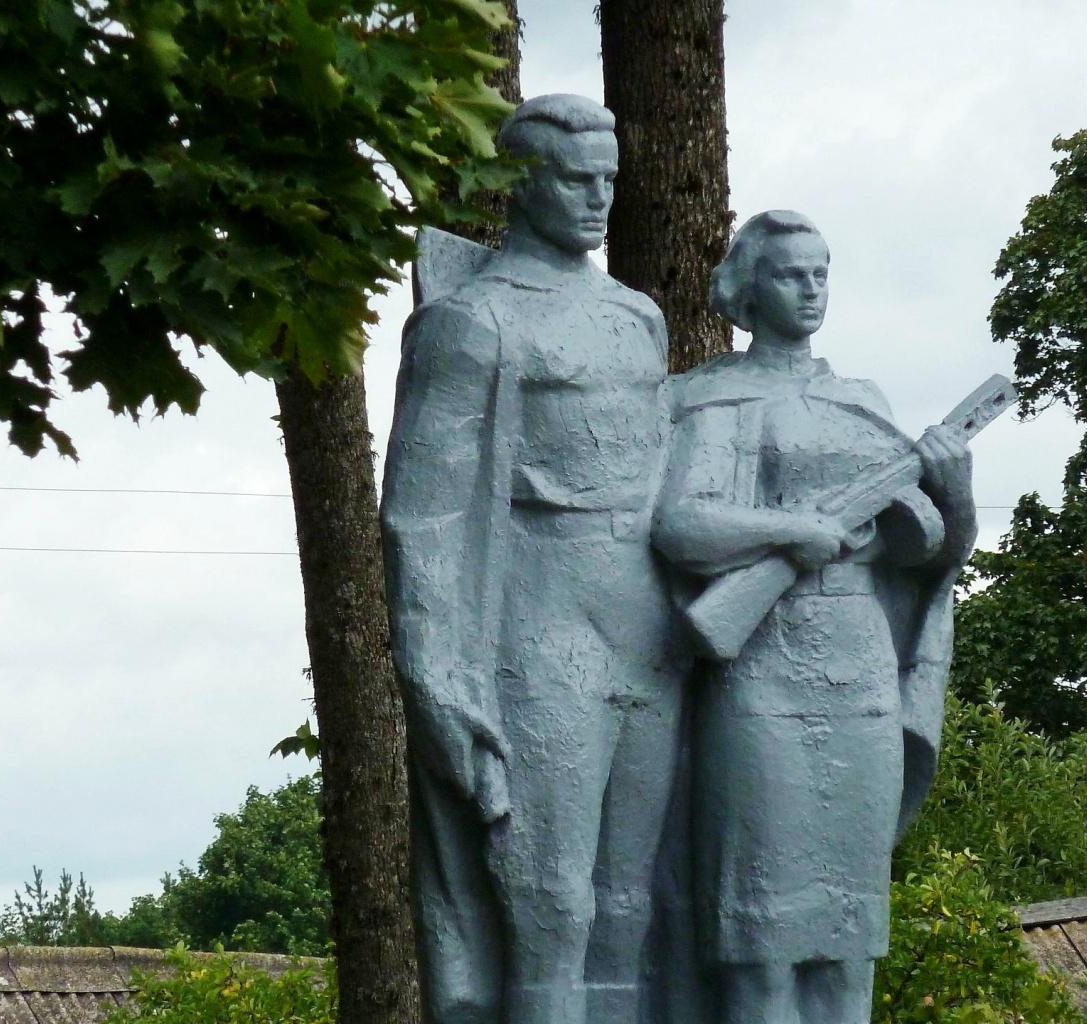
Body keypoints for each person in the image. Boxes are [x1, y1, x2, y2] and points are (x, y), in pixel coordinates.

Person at [380, 94, 686, 1024]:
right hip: (539, 633)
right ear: (521, 184)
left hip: (648, 632)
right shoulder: (473, 323)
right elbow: (420, 522)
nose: (599, 198)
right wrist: (438, 682)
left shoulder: (639, 317)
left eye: (609, 179)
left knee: (632, 904)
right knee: (551, 903)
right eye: (575, 179)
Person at [651, 210, 976, 1024]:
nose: (810, 288)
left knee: (847, 938)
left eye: (821, 272)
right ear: (748, 288)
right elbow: (681, 527)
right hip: (759, 671)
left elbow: (932, 556)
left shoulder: (862, 402)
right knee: (761, 942)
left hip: (860, 668)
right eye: (792, 273)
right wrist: (793, 532)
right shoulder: (709, 396)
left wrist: (956, 489)